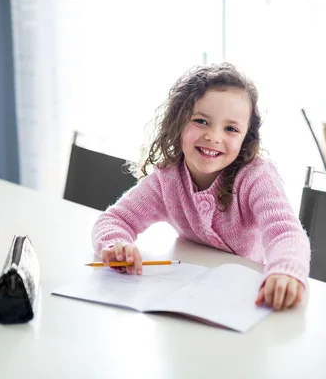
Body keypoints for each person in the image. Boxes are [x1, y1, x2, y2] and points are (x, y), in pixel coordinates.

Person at [91, 63, 310, 310]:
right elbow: (115, 219)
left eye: (230, 128)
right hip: (188, 295)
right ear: (178, 122)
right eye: (201, 121)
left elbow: (286, 233)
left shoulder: (256, 176)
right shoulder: (167, 178)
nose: (214, 136)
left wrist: (286, 270)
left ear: (246, 138)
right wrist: (115, 246)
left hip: (243, 299)